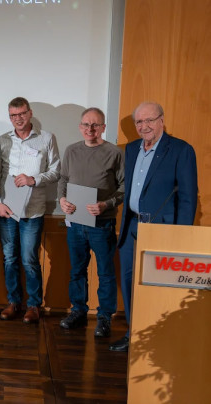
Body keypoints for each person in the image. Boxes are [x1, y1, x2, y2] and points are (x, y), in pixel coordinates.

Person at [109, 102, 197, 352]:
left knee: (156, 286)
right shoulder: (132, 149)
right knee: (129, 282)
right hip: (132, 225)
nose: (144, 126)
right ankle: (133, 333)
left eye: (149, 120)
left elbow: (188, 198)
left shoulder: (181, 150)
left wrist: (180, 237)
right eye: (139, 121)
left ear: (161, 120)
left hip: (162, 230)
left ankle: (157, 338)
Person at [0, 97, 60, 324]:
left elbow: (56, 171)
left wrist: (34, 179)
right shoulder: (2, 140)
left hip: (33, 210)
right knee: (10, 258)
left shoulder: (47, 138)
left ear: (29, 113)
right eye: (13, 115)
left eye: (21, 114)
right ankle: (13, 302)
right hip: (7, 210)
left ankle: (33, 305)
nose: (18, 119)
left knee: (29, 259)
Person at [58, 108, 124, 337]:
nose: (90, 129)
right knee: (77, 271)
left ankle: (104, 318)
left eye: (95, 125)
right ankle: (78, 311)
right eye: (86, 124)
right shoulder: (71, 150)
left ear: (103, 127)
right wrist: (62, 200)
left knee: (105, 272)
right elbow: (63, 179)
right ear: (80, 127)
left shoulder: (115, 153)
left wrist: (106, 204)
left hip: (102, 224)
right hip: (75, 222)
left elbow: (124, 187)